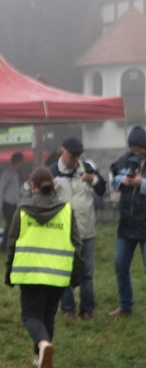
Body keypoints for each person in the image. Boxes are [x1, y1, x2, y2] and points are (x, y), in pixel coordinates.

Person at [5, 167, 81, 368]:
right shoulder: (67, 209)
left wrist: (8, 272)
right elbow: (77, 243)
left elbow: (11, 243)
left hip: (30, 273)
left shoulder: (22, 209)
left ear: (32, 186)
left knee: (30, 315)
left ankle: (43, 344)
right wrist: (76, 275)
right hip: (58, 273)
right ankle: (40, 357)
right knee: (48, 314)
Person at [49, 137, 105, 320]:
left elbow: (102, 190)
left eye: (77, 156)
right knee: (65, 272)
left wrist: (94, 181)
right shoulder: (52, 172)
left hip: (87, 230)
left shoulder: (88, 169)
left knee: (87, 273)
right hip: (63, 232)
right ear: (62, 151)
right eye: (71, 156)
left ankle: (87, 310)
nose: (74, 160)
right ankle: (68, 310)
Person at [108, 126, 146, 316]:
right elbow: (112, 179)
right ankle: (125, 306)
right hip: (127, 223)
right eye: (133, 148)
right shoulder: (124, 160)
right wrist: (123, 181)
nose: (136, 152)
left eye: (139, 149)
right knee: (120, 265)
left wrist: (141, 184)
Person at [0, 152, 25, 250]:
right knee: (10, 225)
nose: (23, 164)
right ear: (18, 161)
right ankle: (4, 246)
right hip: (7, 203)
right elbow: (1, 188)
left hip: (14, 203)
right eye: (22, 161)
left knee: (13, 224)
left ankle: (11, 245)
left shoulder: (15, 173)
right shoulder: (8, 172)